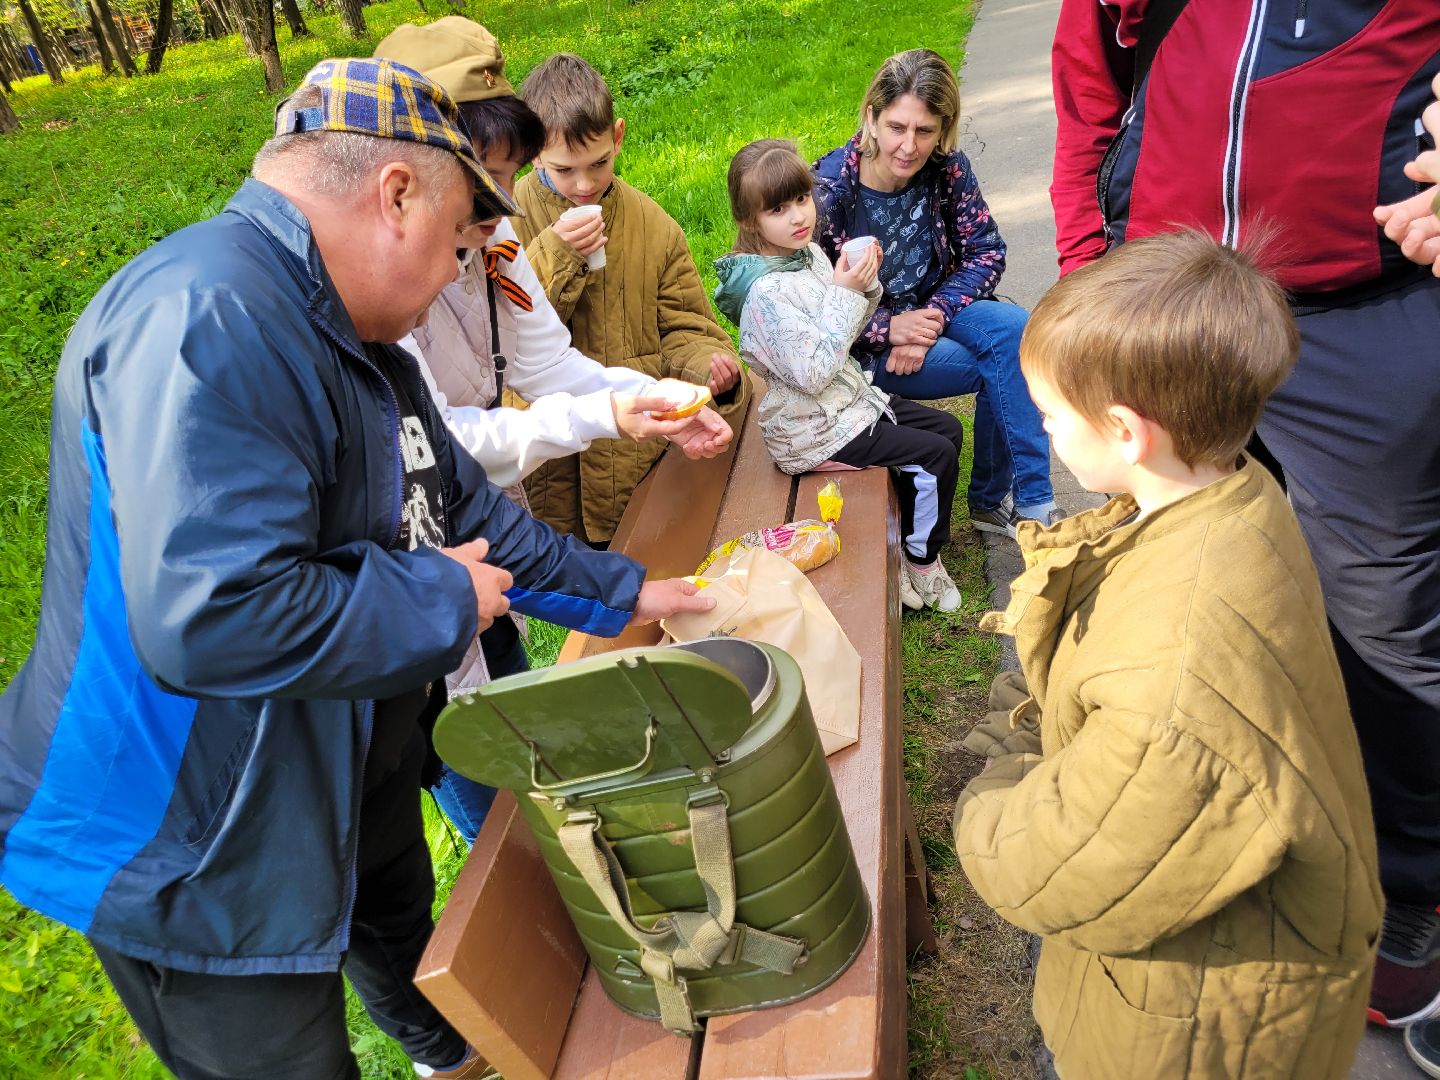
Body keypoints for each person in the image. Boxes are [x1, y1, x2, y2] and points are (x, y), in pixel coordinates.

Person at [0, 58, 714, 1080]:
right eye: (460, 230)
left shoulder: (361, 336)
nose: (463, 262)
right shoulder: (211, 317)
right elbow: (212, 616)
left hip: (337, 763)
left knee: (398, 930)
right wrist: (439, 598)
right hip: (193, 842)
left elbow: (462, 510)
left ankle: (448, 1059)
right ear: (396, 195)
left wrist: (631, 592)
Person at [1049, 0, 1440, 1041]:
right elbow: (1090, 74)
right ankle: (1203, 830)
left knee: (1381, 621)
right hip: (1172, 302)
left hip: (1369, 306)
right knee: (1172, 582)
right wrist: (1095, 266)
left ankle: (1406, 893)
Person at [952, 231, 1383, 1079]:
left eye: (1047, 412)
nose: (1041, 425)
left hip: (1190, 1034)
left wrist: (994, 785)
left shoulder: (1176, 683)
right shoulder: (1227, 490)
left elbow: (1054, 865)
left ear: (1123, 431)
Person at [372, 17, 733, 844]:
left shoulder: (493, 239)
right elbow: (441, 441)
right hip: (411, 582)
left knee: (514, 714)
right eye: (483, 189)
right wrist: (607, 412)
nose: (500, 212)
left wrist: (656, 397)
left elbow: (552, 366)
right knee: (486, 792)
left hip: (486, 541)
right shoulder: (376, 280)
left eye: (504, 184)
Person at [713, 139, 965, 612]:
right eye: (778, 209)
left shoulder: (806, 255)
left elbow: (844, 331)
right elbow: (812, 372)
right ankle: (921, 560)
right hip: (811, 431)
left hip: (845, 405)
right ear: (750, 220)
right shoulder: (766, 295)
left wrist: (863, 285)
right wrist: (846, 294)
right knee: (933, 458)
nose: (797, 217)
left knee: (948, 430)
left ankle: (912, 542)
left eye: (802, 199)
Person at [812, 48, 1056, 536]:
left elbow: (987, 250)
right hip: (862, 348)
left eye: (925, 131)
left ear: (944, 129)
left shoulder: (948, 168)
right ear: (872, 118)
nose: (909, 146)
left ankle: (1032, 502)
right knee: (1007, 370)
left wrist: (933, 317)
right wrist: (888, 329)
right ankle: (993, 502)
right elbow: (811, 307)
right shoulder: (828, 189)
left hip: (934, 308)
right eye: (898, 127)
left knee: (1017, 334)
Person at [511, 52, 750, 546]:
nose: (584, 184)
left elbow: (685, 326)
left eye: (599, 163)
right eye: (564, 169)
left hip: (630, 459)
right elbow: (508, 334)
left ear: (617, 136)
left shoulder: (652, 226)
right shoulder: (508, 223)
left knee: (634, 570)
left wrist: (709, 367)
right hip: (548, 461)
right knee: (561, 583)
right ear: (533, 152)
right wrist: (556, 253)